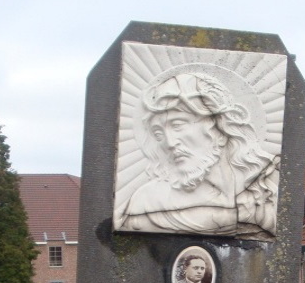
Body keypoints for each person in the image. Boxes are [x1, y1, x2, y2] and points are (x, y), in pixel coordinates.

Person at [114, 71, 279, 240]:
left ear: (218, 127)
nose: (169, 143)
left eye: (177, 125)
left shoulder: (264, 194)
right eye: (159, 134)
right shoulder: (148, 202)